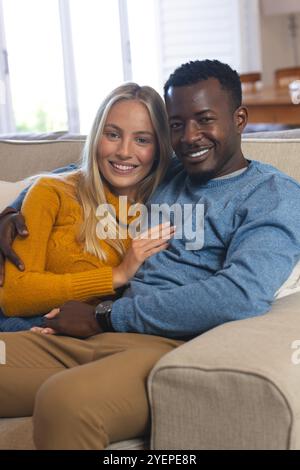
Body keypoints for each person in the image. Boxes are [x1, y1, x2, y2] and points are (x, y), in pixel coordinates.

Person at [0, 59, 300, 450]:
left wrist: (106, 316)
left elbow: (240, 294)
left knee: (65, 402)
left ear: (239, 118)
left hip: (166, 345)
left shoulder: (272, 195)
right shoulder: (169, 172)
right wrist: (12, 210)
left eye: (205, 120)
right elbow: (82, 170)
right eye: (177, 125)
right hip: (89, 338)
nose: (191, 137)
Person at [0, 82, 175, 332]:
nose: (124, 151)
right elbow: (14, 295)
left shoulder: (168, 205)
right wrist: (117, 275)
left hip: (103, 339)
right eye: (112, 134)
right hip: (25, 332)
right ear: (96, 138)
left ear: (158, 148)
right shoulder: (51, 192)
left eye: (142, 139)